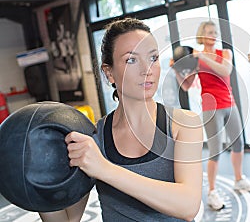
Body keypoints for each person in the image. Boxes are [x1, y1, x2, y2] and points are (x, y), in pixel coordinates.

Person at [39, 17, 203, 222]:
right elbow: (67, 220)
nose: (147, 69)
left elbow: (188, 205)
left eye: (152, 58)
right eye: (131, 60)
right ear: (109, 73)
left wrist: (105, 169)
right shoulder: (94, 137)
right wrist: (31, 179)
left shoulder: (184, 124)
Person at [172, 21, 250, 211]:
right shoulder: (196, 59)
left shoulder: (225, 54)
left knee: (238, 144)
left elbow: (225, 70)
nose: (213, 34)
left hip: (230, 103)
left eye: (215, 31)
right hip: (211, 108)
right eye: (209, 32)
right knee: (215, 151)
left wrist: (201, 55)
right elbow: (186, 86)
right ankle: (212, 192)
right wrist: (177, 71)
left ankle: (239, 179)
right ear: (201, 36)